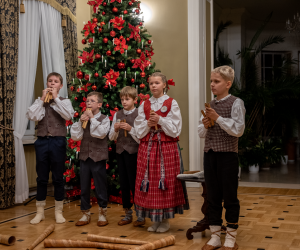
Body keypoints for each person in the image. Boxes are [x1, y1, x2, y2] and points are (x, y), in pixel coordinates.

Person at [134, 72, 188, 233]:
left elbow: (176, 130)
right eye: (151, 83)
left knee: (165, 182)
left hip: (166, 147)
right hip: (149, 147)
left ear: (164, 85)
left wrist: (160, 120)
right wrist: (148, 124)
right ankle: (155, 219)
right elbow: (138, 131)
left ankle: (165, 221)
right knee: (149, 182)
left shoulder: (171, 103)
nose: (154, 86)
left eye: (157, 83)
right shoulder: (144, 104)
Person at [198, 66, 246, 250]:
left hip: (228, 156)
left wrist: (217, 118)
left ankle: (231, 239)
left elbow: (238, 130)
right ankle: (215, 237)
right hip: (210, 155)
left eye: (216, 81)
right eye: (211, 81)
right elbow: (201, 133)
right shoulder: (210, 104)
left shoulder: (236, 103)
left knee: (230, 197)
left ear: (228, 83)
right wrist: (205, 124)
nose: (212, 84)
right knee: (213, 197)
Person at [26, 72, 74, 224]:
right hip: (41, 141)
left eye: (56, 81)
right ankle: (40, 212)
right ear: (47, 84)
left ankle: (58, 211)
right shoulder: (39, 101)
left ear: (60, 86)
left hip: (58, 141)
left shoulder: (64, 101)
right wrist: (42, 100)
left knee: (58, 178)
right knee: (41, 178)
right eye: (50, 81)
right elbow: (32, 116)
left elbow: (68, 116)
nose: (52, 83)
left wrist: (56, 99)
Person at [71, 92, 110, 227]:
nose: (88, 103)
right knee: (84, 186)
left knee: (100, 185)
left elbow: (101, 134)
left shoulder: (104, 119)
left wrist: (92, 118)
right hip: (85, 156)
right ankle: (85, 213)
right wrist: (80, 122)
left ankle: (102, 213)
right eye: (87, 101)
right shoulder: (83, 118)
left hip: (98, 157)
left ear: (99, 104)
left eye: (92, 101)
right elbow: (76, 137)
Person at [109, 86, 144, 226]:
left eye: (127, 99)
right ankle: (127, 213)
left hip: (134, 153)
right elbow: (112, 137)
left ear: (135, 100)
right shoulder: (117, 115)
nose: (124, 101)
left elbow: (141, 138)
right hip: (121, 153)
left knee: (135, 183)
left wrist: (131, 129)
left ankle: (140, 214)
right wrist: (116, 130)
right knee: (123, 183)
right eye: (122, 99)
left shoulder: (139, 115)